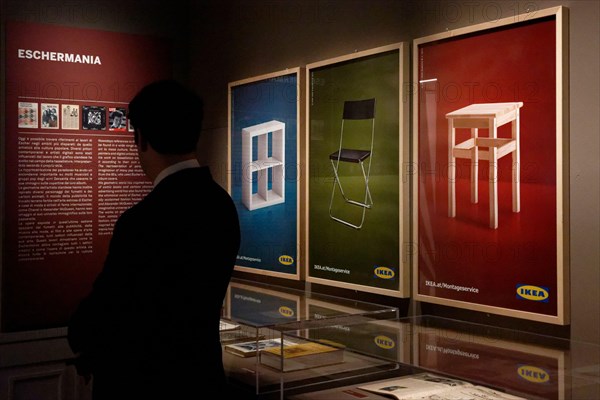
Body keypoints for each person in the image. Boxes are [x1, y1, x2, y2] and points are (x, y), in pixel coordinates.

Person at [67, 80, 241, 399]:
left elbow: (101, 315)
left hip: (143, 385)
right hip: (201, 380)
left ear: (141, 138)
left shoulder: (142, 222)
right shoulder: (222, 205)